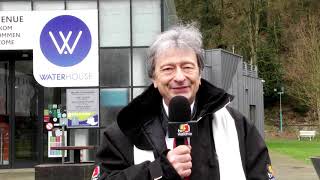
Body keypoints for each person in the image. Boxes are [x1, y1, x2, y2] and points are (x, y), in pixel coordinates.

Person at [92, 24, 275, 180]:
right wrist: (157, 170)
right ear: (154, 79)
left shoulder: (237, 126)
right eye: (168, 69)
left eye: (187, 67)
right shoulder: (126, 130)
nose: (179, 77)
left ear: (199, 73)